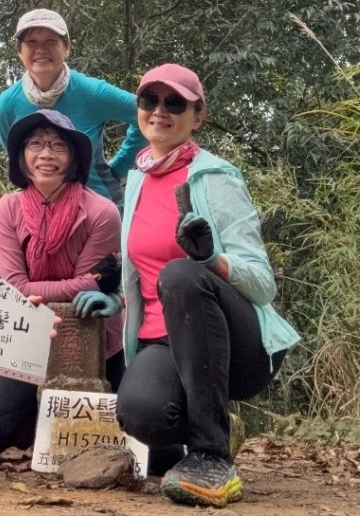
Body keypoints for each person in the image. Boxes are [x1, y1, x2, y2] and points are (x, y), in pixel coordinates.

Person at [81, 63, 300, 508]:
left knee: (180, 273)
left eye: (175, 102)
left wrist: (210, 259)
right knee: (139, 412)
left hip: (236, 347)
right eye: (150, 100)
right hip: (164, 341)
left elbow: (262, 284)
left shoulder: (214, 176)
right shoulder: (139, 174)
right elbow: (142, 264)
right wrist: (116, 296)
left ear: (197, 115)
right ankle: (212, 422)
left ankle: (212, 456)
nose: (159, 111)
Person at [0, 109, 124, 464]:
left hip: (97, 341)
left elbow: (84, 298)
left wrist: (82, 286)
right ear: (21, 154)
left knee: (151, 449)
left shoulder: (101, 212)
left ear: (74, 157)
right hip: (29, 340)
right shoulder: (8, 209)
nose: (46, 155)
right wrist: (86, 282)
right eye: (35, 144)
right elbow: (15, 286)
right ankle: (32, 423)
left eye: (58, 146)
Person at [0, 9, 145, 209]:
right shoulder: (7, 105)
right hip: (45, 211)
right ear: (20, 52)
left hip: (101, 207)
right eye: (31, 42)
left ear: (67, 48)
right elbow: (19, 157)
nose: (41, 49)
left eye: (51, 41)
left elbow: (145, 113)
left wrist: (118, 168)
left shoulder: (91, 92)